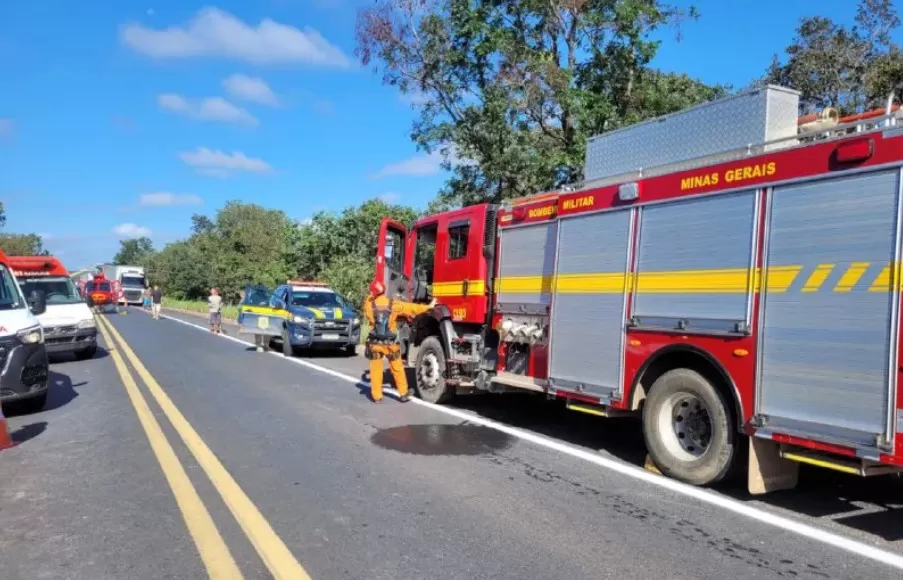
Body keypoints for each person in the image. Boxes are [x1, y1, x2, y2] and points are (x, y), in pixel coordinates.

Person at [363, 280, 436, 403]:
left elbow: (367, 303)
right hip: (390, 344)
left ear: (374, 293)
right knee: (397, 368)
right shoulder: (394, 305)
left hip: (375, 344)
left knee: (375, 370)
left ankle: (377, 397)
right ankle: (403, 393)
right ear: (384, 290)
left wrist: (371, 295)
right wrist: (428, 306)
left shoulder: (369, 306)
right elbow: (412, 308)